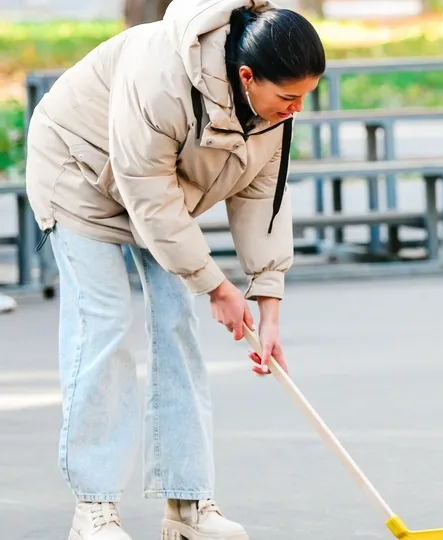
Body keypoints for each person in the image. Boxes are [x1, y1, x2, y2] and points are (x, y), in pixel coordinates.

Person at [23, 0, 325, 538]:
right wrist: (215, 285)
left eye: (305, 96)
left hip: (159, 192)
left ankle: (187, 505)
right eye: (288, 97)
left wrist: (267, 300)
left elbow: (262, 197)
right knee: (104, 325)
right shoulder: (160, 75)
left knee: (177, 326)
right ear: (247, 76)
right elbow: (149, 197)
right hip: (79, 172)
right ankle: (93, 507)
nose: (296, 110)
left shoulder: (273, 110)